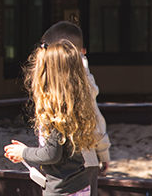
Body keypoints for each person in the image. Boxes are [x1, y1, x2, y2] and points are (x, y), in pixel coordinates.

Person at [4, 40, 100, 196]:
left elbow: (51, 154)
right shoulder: (71, 103)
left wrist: (24, 152)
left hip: (62, 189)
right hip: (80, 185)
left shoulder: (55, 110)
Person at [40, 21, 111, 196]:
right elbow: (96, 120)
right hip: (83, 159)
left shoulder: (65, 84)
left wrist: (103, 151)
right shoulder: (84, 80)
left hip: (72, 163)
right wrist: (103, 152)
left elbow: (94, 118)